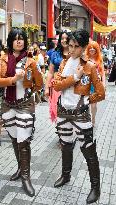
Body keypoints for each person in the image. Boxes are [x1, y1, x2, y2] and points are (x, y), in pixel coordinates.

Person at [52, 29, 105, 204]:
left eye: (76, 47)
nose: (71, 49)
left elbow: (101, 92)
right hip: (63, 112)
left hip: (80, 115)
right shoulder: (64, 63)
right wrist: (75, 77)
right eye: (70, 45)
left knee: (88, 150)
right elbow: (57, 86)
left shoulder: (90, 66)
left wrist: (86, 101)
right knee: (65, 145)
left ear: (83, 48)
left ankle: (95, 187)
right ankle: (65, 176)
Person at [0, 28, 43, 197]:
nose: (19, 41)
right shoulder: (3, 59)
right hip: (8, 104)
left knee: (24, 141)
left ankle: (26, 177)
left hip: (24, 105)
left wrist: (28, 90)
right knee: (15, 139)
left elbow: (39, 83)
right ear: (10, 42)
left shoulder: (31, 61)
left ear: (25, 42)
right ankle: (20, 169)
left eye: (21, 39)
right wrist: (13, 80)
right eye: (15, 39)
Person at [45, 31, 70, 122]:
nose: (64, 40)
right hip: (57, 85)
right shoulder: (55, 53)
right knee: (57, 108)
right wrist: (47, 88)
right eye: (62, 38)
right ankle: (61, 129)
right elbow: (50, 72)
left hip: (71, 85)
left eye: (66, 38)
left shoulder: (75, 53)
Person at [85, 41, 105, 126]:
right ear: (88, 49)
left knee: (93, 105)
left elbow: (102, 73)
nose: (92, 49)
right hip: (86, 84)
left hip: (95, 85)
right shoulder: (85, 59)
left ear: (96, 50)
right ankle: (87, 119)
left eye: (94, 48)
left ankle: (93, 119)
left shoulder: (99, 60)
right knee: (85, 104)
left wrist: (103, 84)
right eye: (91, 48)